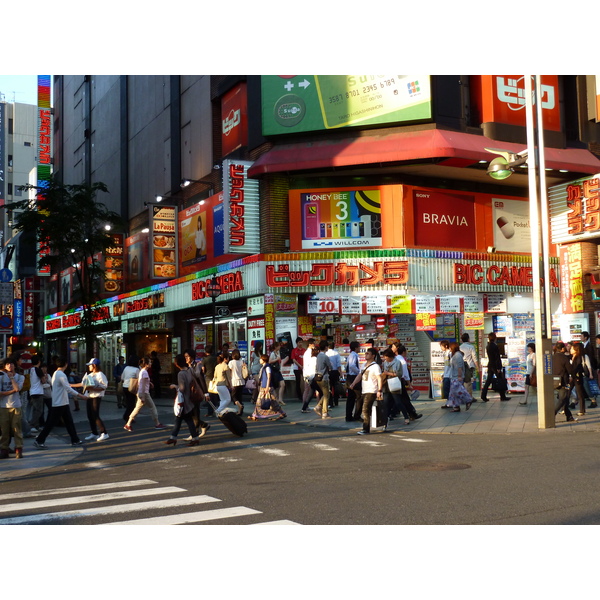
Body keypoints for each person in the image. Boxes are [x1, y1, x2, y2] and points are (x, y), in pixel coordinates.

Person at [33, 356, 87, 449]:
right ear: (65, 364)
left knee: (68, 421)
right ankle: (39, 440)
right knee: (51, 423)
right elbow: (68, 388)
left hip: (62, 402)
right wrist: (80, 395)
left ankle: (75, 439)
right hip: (60, 403)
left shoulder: (56, 373)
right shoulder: (61, 375)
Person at [165, 354, 201, 446]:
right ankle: (174, 437)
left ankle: (192, 438)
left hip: (184, 400)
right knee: (182, 419)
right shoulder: (189, 370)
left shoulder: (181, 374)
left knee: (182, 418)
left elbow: (182, 388)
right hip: (189, 398)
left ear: (177, 364)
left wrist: (174, 386)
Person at [124, 356, 165, 431]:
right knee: (152, 407)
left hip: (141, 393)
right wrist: (142, 396)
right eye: (149, 362)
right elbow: (142, 384)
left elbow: (142, 382)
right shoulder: (145, 372)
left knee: (137, 409)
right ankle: (157, 423)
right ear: (146, 364)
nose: (150, 364)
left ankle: (128, 424)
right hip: (144, 393)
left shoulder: (142, 371)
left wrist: (149, 383)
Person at [349, 347, 383, 435]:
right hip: (364, 390)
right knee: (364, 409)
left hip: (372, 390)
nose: (366, 355)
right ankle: (371, 424)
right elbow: (360, 375)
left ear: (373, 356)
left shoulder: (375, 366)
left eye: (368, 353)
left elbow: (379, 378)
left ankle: (366, 428)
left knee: (365, 409)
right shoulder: (364, 365)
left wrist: (379, 390)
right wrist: (353, 384)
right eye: (366, 353)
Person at [0, 358, 24, 459]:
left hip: (16, 406)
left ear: (15, 366)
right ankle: (4, 449)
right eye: (8, 364)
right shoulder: (1, 377)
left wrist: (11, 378)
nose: (10, 366)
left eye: (12, 364)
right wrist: (12, 391)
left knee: (16, 429)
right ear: (5, 366)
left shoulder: (20, 377)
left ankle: (18, 449)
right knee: (4, 430)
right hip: (3, 406)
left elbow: (18, 388)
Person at [250, 354, 286, 420]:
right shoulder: (263, 367)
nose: (259, 360)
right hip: (263, 387)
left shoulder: (267, 367)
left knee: (273, 402)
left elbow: (269, 377)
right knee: (260, 401)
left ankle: (282, 412)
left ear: (263, 360)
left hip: (267, 387)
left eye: (261, 359)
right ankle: (255, 415)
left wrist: (267, 387)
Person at [183, 348, 211, 434]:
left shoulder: (197, 366)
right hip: (189, 393)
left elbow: (201, 380)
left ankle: (195, 433)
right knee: (190, 413)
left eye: (187, 356)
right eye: (185, 357)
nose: (186, 358)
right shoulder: (187, 367)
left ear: (192, 357)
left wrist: (206, 393)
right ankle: (203, 425)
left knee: (195, 412)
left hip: (196, 392)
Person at [81, 358, 110, 442]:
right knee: (90, 415)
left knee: (95, 415)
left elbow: (104, 387)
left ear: (94, 365)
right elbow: (83, 384)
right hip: (89, 396)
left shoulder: (100, 374)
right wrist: (70, 385)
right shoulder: (90, 375)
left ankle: (104, 433)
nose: (89, 366)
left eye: (90, 365)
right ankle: (94, 432)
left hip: (96, 397)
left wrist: (93, 388)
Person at [381, 348, 411, 425]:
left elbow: (399, 374)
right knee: (386, 402)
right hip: (386, 384)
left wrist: (388, 373)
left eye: (386, 357)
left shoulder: (397, 362)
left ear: (390, 356)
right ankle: (386, 417)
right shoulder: (385, 363)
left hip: (394, 383)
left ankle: (406, 417)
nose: (385, 358)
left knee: (398, 402)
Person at [445, 342, 472, 412]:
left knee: (457, 390)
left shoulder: (457, 355)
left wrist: (459, 376)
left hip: (457, 376)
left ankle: (468, 399)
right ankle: (456, 406)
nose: (449, 349)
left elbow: (459, 366)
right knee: (453, 392)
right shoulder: (455, 355)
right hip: (454, 376)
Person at [553, 342, 576, 422]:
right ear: (562, 349)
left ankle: (569, 416)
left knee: (565, 398)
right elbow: (570, 370)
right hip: (564, 381)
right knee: (562, 398)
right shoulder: (564, 358)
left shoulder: (552, 357)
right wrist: (574, 377)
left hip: (554, 381)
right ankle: (552, 413)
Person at [480, 332, 508, 402]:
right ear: (495, 338)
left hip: (490, 364)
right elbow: (497, 358)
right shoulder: (495, 346)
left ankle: (483, 395)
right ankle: (503, 396)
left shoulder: (488, 346)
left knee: (488, 381)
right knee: (500, 380)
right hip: (495, 366)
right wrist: (499, 367)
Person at [313, 340, 333, 419]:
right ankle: (324, 412)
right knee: (326, 395)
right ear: (325, 347)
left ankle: (319, 407)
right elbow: (330, 367)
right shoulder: (325, 356)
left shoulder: (318, 356)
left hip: (318, 377)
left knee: (326, 394)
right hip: (324, 377)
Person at [28, 354, 46, 431]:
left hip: (31, 391)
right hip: (38, 392)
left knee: (35, 409)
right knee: (39, 410)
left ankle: (36, 425)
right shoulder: (38, 370)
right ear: (39, 362)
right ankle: (32, 425)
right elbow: (43, 380)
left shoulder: (30, 370)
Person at [300, 339, 319, 413]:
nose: (314, 345)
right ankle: (305, 406)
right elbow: (309, 364)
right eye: (313, 343)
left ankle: (305, 406)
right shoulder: (308, 353)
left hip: (307, 373)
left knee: (308, 390)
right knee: (308, 390)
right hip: (309, 374)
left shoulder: (307, 352)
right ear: (310, 344)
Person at [569, 342, 587, 416]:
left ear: (576, 350)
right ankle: (564, 408)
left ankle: (582, 410)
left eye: (572, 348)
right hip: (573, 377)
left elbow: (577, 368)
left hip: (577, 377)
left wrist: (572, 375)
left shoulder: (579, 357)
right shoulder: (572, 357)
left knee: (580, 393)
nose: (570, 349)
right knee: (567, 391)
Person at [345, 341, 361, 421]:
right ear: (355, 348)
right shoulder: (354, 355)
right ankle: (356, 415)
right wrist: (359, 372)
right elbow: (352, 365)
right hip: (353, 377)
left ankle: (349, 416)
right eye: (359, 347)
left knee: (351, 398)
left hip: (349, 377)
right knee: (359, 397)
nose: (360, 348)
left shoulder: (351, 355)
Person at [121, 355, 140, 424]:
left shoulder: (126, 368)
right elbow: (139, 379)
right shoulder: (136, 369)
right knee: (132, 404)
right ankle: (127, 416)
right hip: (132, 388)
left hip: (125, 387)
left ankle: (129, 417)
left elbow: (122, 378)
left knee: (129, 402)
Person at [459, 333, 477, 400]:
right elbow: (474, 358)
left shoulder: (459, 347)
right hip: (469, 366)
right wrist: (477, 366)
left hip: (461, 366)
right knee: (468, 382)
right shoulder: (471, 347)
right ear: (468, 339)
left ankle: (464, 396)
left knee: (462, 382)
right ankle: (470, 397)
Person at [268, 342, 287, 406]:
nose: (279, 347)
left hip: (278, 370)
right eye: (278, 346)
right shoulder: (272, 353)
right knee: (275, 386)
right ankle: (275, 400)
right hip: (274, 371)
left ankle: (280, 399)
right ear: (275, 347)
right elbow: (270, 361)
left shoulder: (278, 352)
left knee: (282, 384)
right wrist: (276, 359)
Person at [228, 349, 246, 416]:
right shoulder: (241, 362)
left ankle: (240, 405)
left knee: (233, 396)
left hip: (234, 381)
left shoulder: (231, 362)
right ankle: (240, 411)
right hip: (241, 381)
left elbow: (229, 372)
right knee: (239, 396)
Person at [202, 344, 218, 416]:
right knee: (215, 394)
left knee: (209, 395)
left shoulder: (205, 360)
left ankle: (210, 411)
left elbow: (203, 369)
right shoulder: (216, 358)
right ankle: (216, 409)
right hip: (215, 377)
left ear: (205, 351)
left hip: (208, 377)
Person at [326, 341, 342, 407]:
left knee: (329, 387)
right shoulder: (336, 353)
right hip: (335, 372)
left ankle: (330, 402)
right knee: (336, 387)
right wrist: (340, 372)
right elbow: (339, 364)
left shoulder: (325, 353)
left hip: (328, 372)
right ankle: (336, 401)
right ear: (334, 346)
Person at [290, 338, 305, 402]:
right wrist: (300, 365)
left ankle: (305, 395)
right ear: (297, 343)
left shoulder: (304, 350)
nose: (300, 343)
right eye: (299, 342)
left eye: (301, 342)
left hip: (304, 368)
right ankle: (299, 396)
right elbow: (293, 359)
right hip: (297, 368)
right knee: (298, 382)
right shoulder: (294, 350)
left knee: (305, 382)